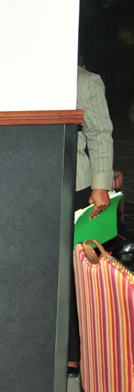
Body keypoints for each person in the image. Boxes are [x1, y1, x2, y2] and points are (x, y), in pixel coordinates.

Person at [69, 64, 115, 373]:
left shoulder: (85, 80)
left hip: (77, 187)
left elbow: (100, 134)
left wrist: (102, 184)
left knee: (78, 270)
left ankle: (77, 352)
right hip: (31, 185)